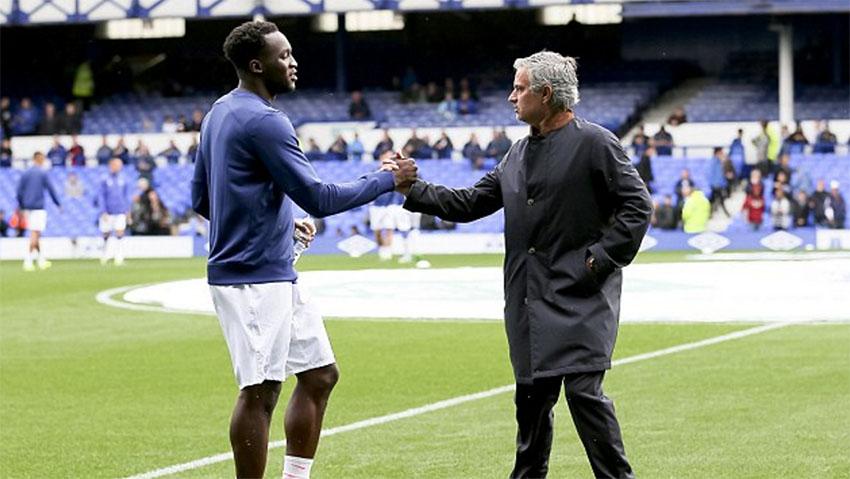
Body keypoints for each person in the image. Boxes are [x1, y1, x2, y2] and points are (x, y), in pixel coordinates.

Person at [401, 51, 649, 479]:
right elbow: (470, 202)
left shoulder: (596, 143)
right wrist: (414, 188)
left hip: (580, 298)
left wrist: (597, 261)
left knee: (585, 397)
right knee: (530, 410)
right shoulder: (515, 154)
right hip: (527, 302)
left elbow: (637, 206)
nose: (510, 97)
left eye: (518, 88)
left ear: (545, 94)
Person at [190, 21, 416, 479]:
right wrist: (386, 180)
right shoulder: (265, 120)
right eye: (283, 56)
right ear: (257, 65)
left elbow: (201, 198)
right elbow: (319, 197)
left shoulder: (218, 112)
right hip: (251, 276)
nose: (293, 63)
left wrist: (277, 221)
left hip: (271, 269)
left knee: (319, 375)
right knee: (260, 391)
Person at [16, 151, 61, 271]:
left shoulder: (26, 173)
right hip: (38, 207)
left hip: (27, 207)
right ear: (40, 159)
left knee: (36, 233)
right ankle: (28, 260)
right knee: (35, 233)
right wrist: (58, 203)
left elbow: (19, 191)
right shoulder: (42, 173)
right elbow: (51, 189)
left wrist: (21, 206)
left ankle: (41, 259)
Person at [98, 158, 131, 265]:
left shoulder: (123, 179)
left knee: (120, 231)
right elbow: (101, 196)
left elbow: (126, 196)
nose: (118, 167)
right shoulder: (104, 179)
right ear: (111, 165)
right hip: (108, 211)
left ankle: (119, 257)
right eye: (116, 165)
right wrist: (103, 211)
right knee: (106, 233)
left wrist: (127, 210)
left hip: (120, 211)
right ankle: (105, 255)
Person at [707, 147, 730, 217]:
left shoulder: (720, 162)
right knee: (718, 199)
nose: (722, 154)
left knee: (715, 200)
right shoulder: (714, 162)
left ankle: (710, 213)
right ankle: (725, 213)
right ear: (717, 153)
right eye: (721, 153)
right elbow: (715, 175)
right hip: (716, 185)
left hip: (718, 185)